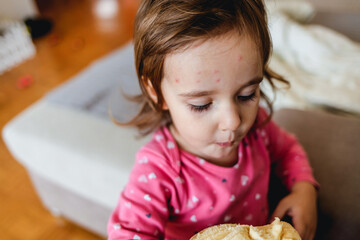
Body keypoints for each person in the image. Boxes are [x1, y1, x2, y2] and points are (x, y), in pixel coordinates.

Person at [107, 0, 319, 239]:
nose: (233, 122)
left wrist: (303, 188)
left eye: (246, 95)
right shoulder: (158, 171)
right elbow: (127, 234)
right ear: (156, 92)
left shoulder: (257, 126)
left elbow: (288, 149)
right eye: (202, 105)